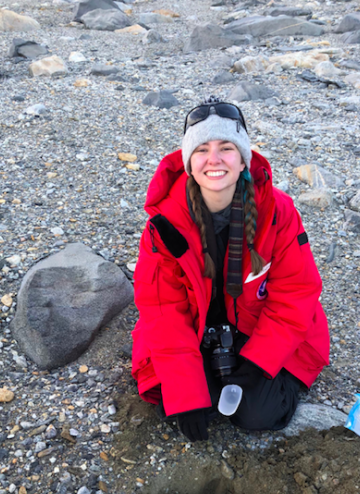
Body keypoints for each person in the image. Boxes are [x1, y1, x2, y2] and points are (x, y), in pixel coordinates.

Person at [131, 97, 330, 442]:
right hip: (195, 328)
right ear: (188, 162)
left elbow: (295, 294)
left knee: (256, 414)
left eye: (226, 148)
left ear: (243, 161)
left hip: (258, 325)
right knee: (183, 400)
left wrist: (258, 363)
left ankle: (258, 372)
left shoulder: (278, 212)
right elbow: (162, 311)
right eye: (202, 149)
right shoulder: (164, 225)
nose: (214, 159)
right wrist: (185, 390)